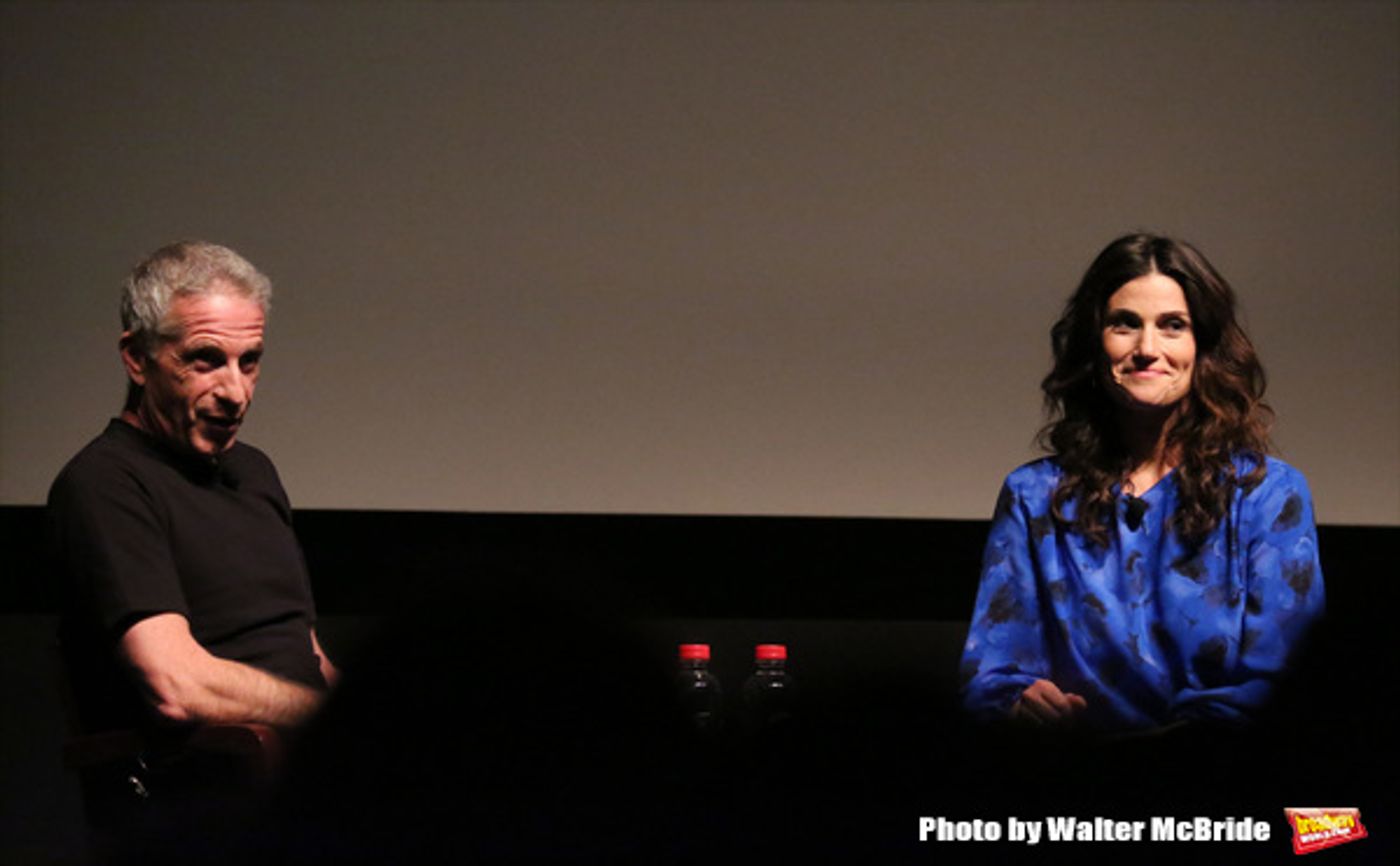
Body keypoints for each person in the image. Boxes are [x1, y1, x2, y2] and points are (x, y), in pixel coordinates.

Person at [959, 233, 1324, 731]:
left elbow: (1283, 681)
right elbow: (990, 672)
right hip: (1071, 781)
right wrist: (1021, 701)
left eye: (1173, 326)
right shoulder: (1034, 496)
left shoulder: (1266, 495)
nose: (1147, 349)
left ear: (1205, 347)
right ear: (1095, 341)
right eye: (1125, 324)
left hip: (1221, 781)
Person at [48, 241, 336, 740]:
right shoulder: (105, 483)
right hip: (218, 782)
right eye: (206, 360)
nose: (236, 392)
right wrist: (333, 724)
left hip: (308, 766)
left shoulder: (254, 471)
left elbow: (305, 653)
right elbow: (175, 685)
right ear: (138, 358)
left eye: (249, 362)